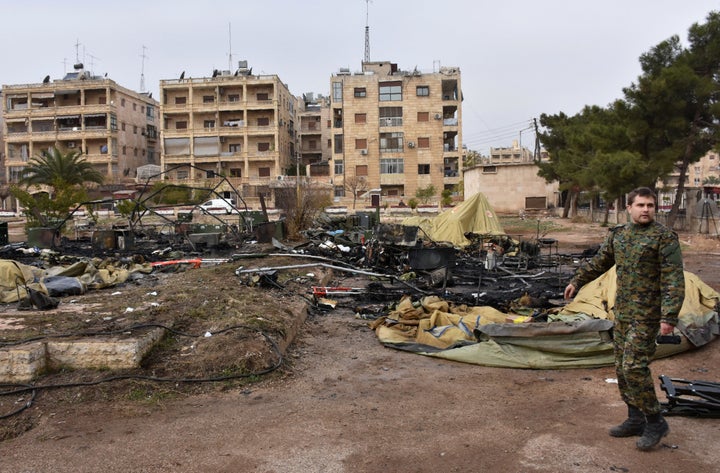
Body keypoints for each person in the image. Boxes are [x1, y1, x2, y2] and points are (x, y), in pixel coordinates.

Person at [563, 187, 685, 451]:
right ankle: (635, 417)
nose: (646, 210)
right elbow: (600, 262)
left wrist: (669, 316)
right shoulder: (619, 235)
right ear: (628, 208)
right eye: (640, 205)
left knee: (634, 367)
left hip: (648, 316)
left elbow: (674, 280)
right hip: (624, 313)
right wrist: (577, 281)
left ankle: (655, 421)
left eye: (650, 205)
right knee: (621, 366)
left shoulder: (664, 238)